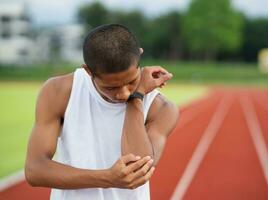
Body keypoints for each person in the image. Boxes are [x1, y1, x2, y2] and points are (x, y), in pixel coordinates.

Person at [25, 24, 179, 200]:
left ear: (139, 57)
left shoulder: (161, 108)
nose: (123, 94)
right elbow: (35, 170)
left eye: (131, 81)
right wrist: (107, 178)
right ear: (88, 70)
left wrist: (136, 98)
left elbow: (138, 168)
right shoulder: (59, 92)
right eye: (111, 87)